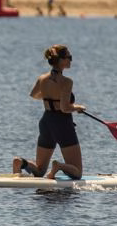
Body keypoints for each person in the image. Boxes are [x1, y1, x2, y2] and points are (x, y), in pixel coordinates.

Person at [12, 44, 87, 180]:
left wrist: (50, 98)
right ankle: (58, 166)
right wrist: (77, 107)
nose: (71, 60)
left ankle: (20, 162)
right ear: (61, 60)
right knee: (77, 173)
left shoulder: (42, 79)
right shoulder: (66, 82)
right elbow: (65, 108)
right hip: (62, 124)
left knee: (40, 170)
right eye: (69, 57)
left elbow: (34, 95)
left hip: (46, 122)